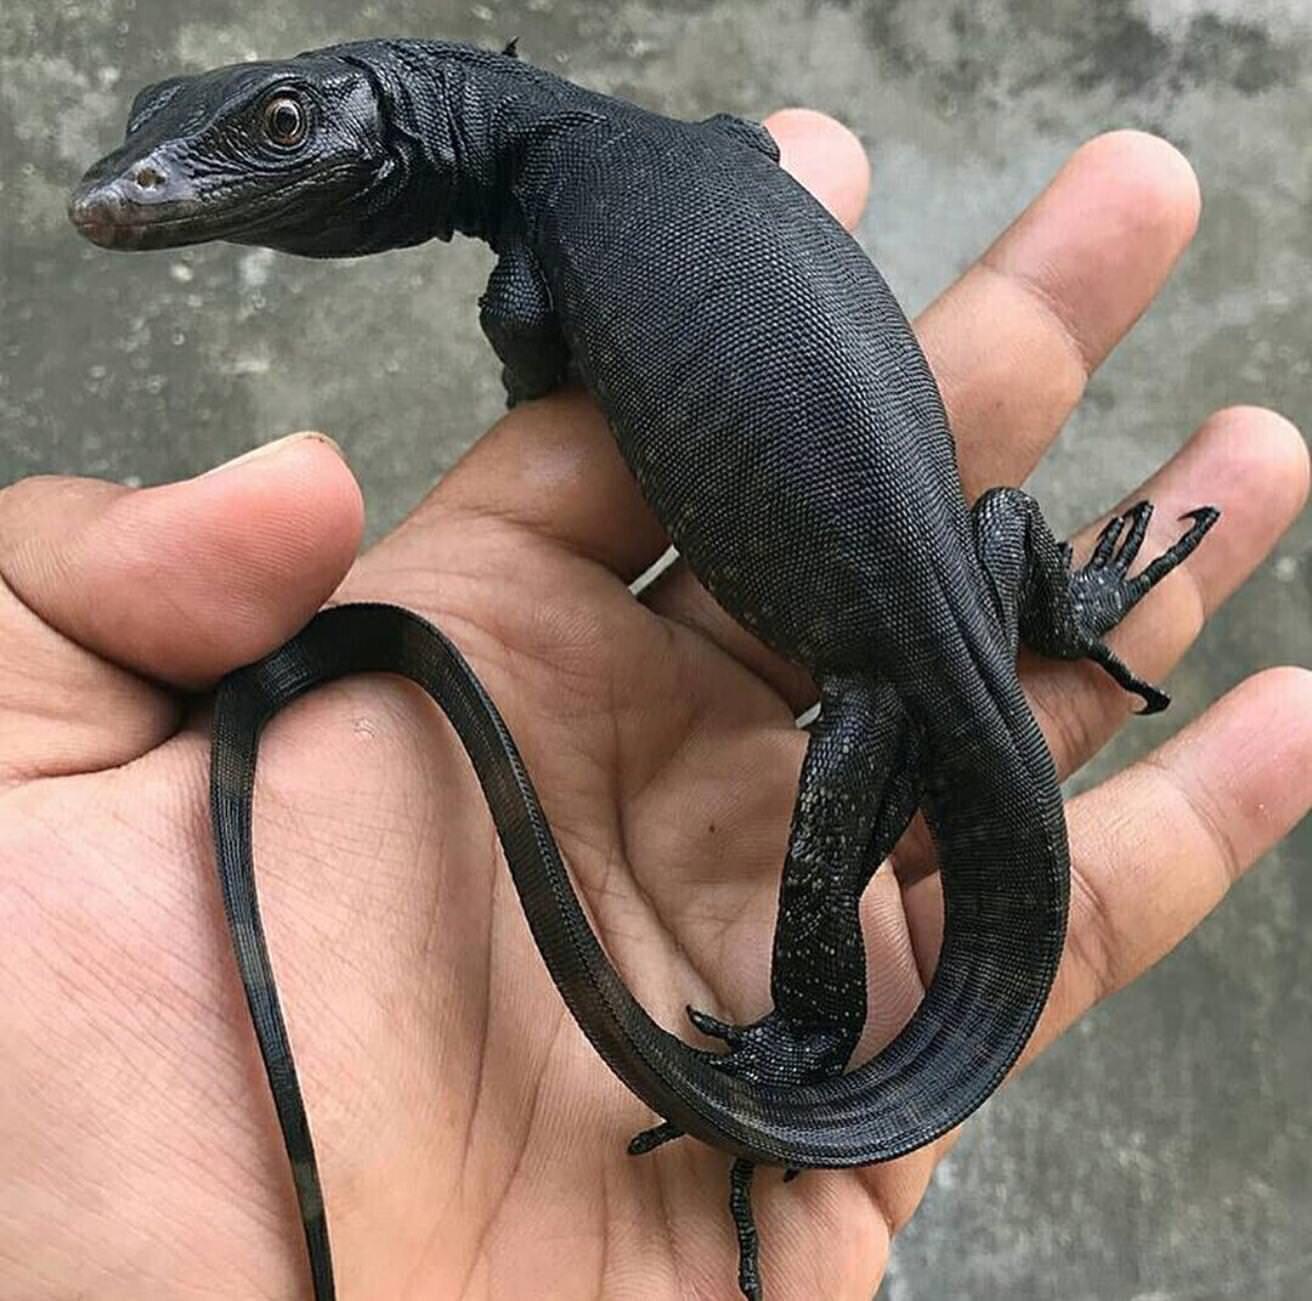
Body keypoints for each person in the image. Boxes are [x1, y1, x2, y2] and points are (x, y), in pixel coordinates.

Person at [1, 110, 1307, 1299]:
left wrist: (541, 384)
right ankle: (1069, 616)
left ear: (403, 127)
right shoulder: (679, 139)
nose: (190, 173)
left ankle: (811, 1044)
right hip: (977, 575)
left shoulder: (526, 273)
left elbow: (529, 335)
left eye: (281, 126)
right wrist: (1064, 617)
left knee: (835, 859)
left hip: (885, 677)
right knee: (996, 533)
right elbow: (752, 146)